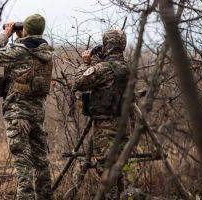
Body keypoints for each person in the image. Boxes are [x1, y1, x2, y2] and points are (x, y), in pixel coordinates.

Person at [0, 14, 53, 200]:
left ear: (25, 30)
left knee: (23, 164)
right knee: (41, 162)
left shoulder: (20, 52)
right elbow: (26, 56)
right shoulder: (46, 53)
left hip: (18, 115)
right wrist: (20, 36)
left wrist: (5, 35)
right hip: (37, 115)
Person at [71, 29, 129, 199]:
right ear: (122, 45)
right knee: (120, 168)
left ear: (106, 45)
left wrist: (86, 63)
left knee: (106, 169)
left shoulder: (103, 68)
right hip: (124, 125)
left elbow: (78, 83)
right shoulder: (126, 68)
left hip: (105, 126)